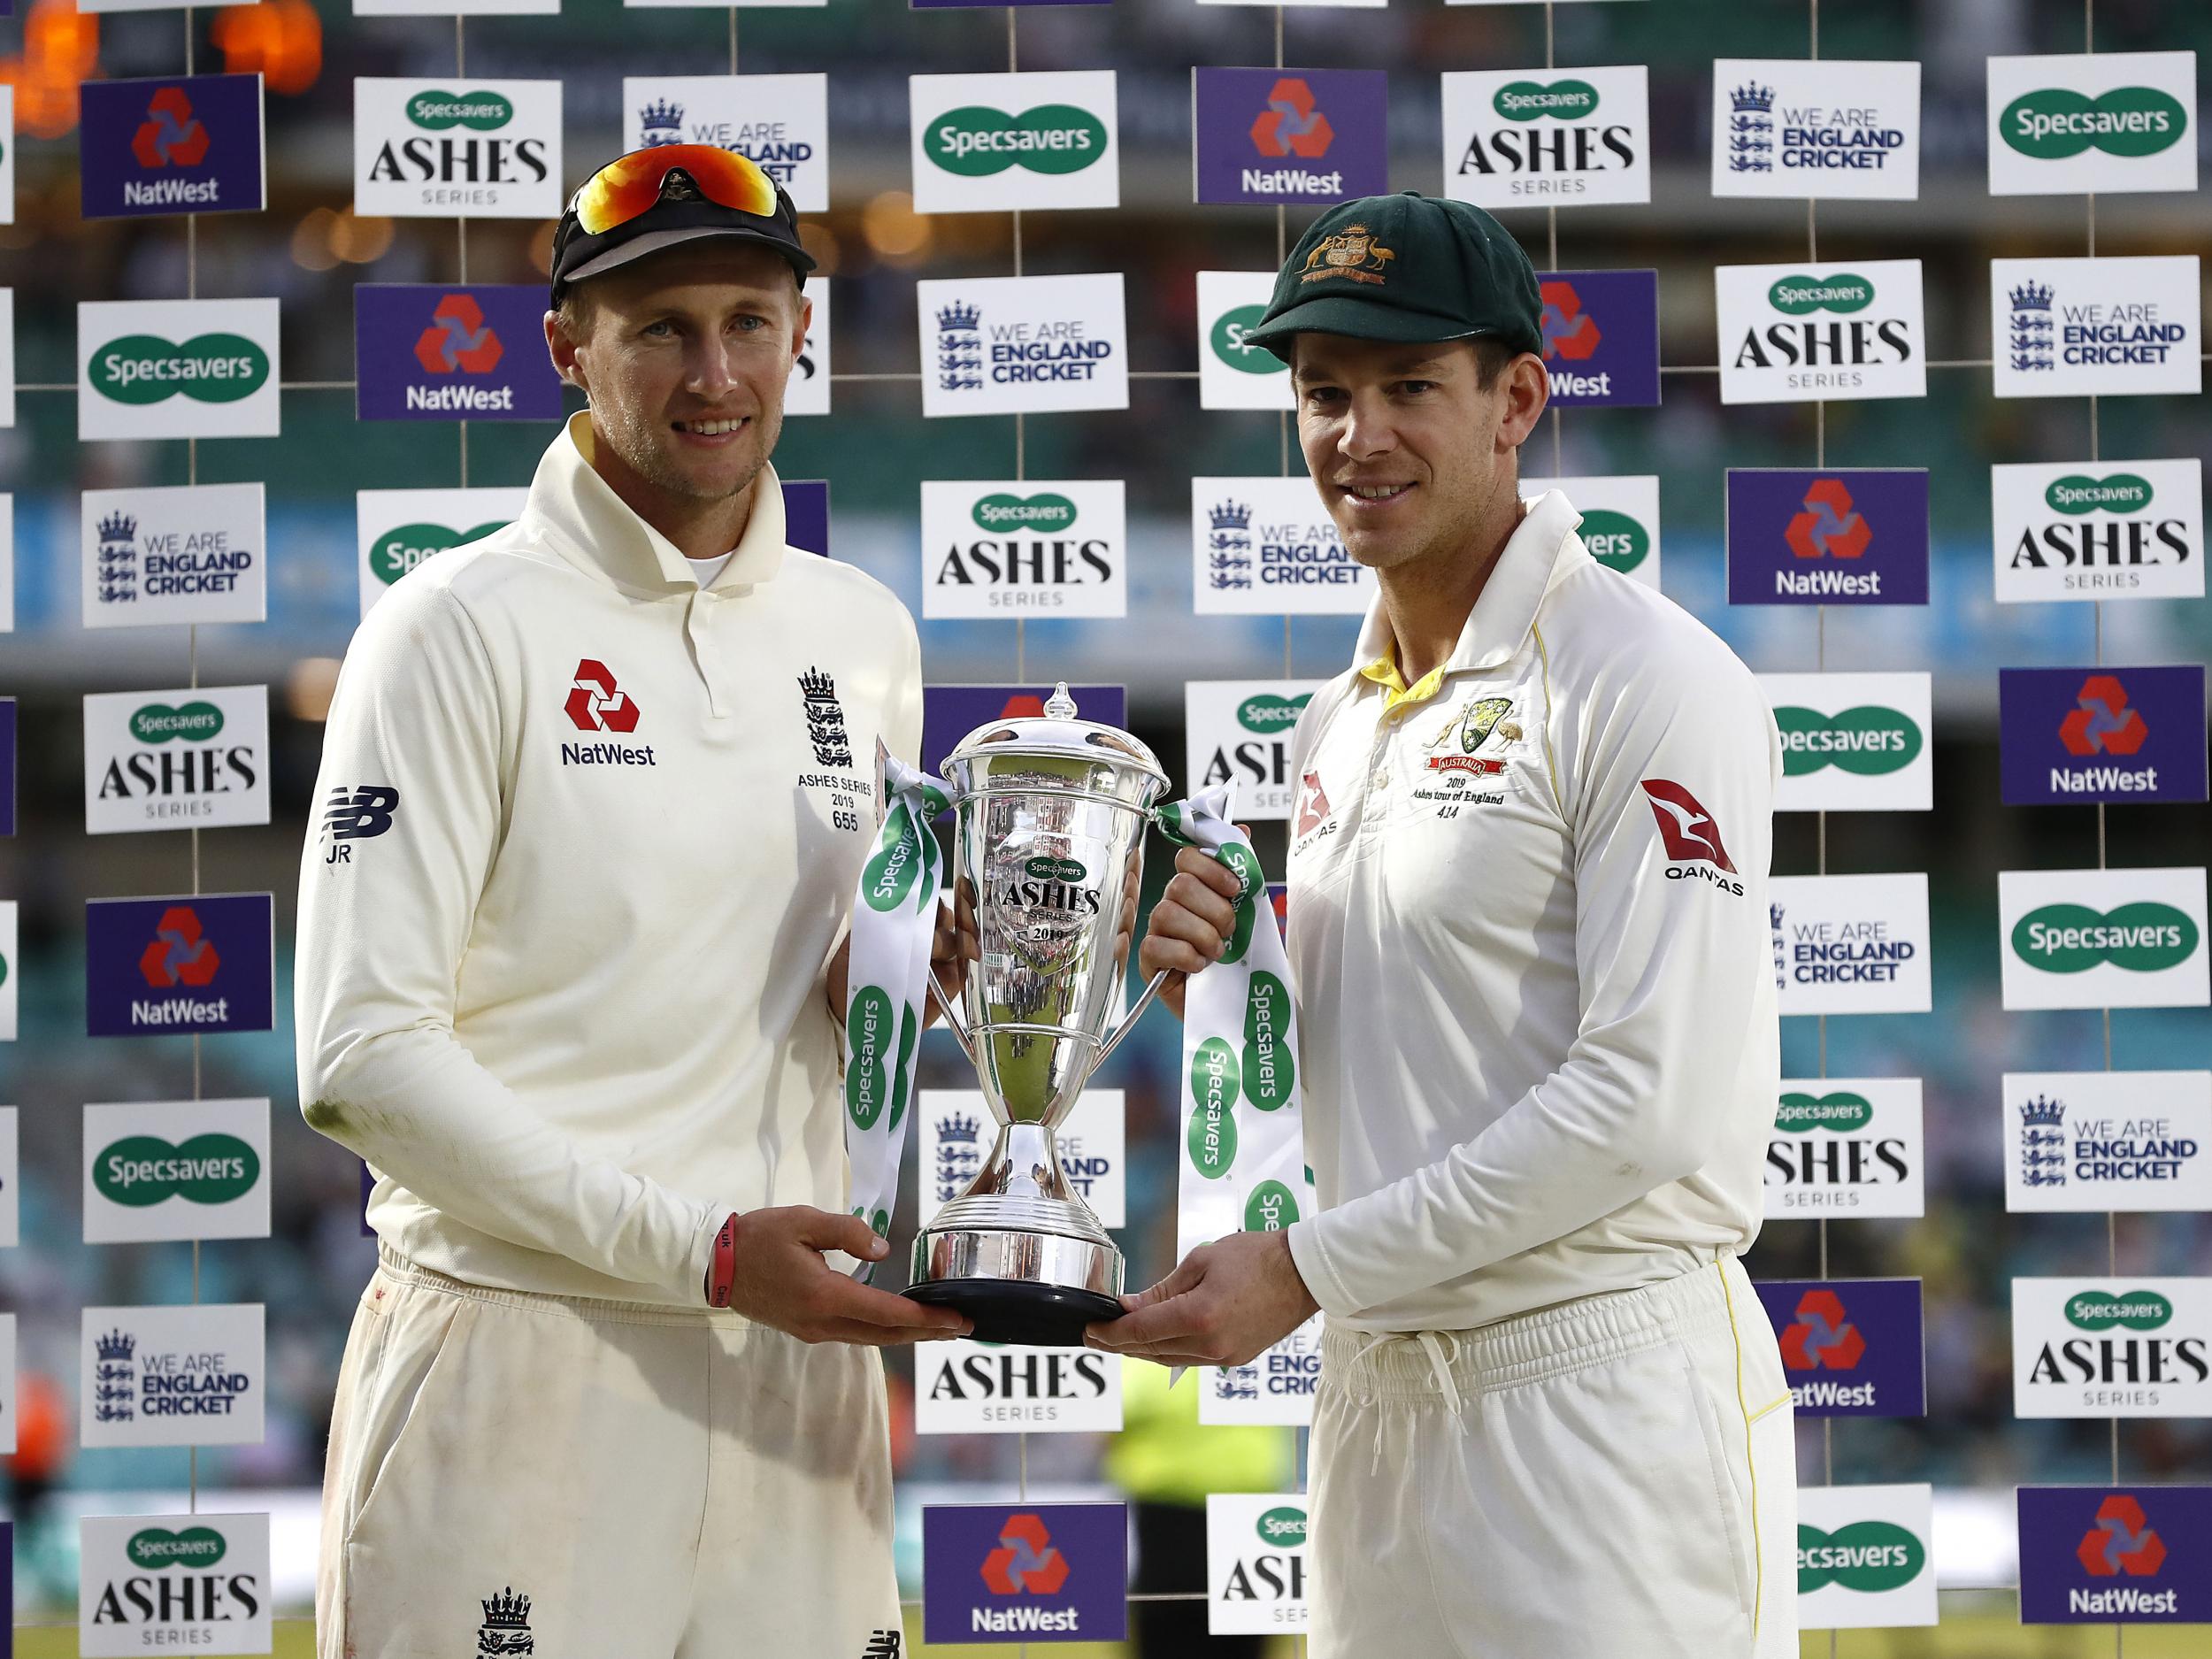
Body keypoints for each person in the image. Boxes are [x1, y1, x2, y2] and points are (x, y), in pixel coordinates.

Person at [1095, 191, 1796, 1656]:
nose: (1361, 436)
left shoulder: (1648, 679)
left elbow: (1643, 1104)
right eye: (1325, 394)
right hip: (1378, 1406)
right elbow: (1409, 1069)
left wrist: (1300, 1270)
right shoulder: (1338, 719)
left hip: (1598, 1410)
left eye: (1411, 386)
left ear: (1516, 400)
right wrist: (1231, 1009)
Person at [296, 145, 970, 1659]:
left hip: (800, 1366)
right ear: (568, 347)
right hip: (528, 1354)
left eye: (747, 318)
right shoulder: (452, 629)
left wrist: (908, 970)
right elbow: (359, 1059)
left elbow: (789, 983)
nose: (712, 371)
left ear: (806, 331)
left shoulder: (859, 634)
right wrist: (707, 1252)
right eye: (660, 326)